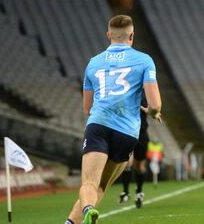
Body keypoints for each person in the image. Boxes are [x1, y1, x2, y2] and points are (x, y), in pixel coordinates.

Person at [65, 15, 162, 224]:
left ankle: (88, 208)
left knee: (89, 183)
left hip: (98, 126)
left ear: (108, 35)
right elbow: (155, 105)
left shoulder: (93, 63)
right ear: (132, 36)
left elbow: (87, 108)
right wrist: (154, 113)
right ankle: (78, 217)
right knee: (101, 186)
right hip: (126, 133)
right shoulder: (145, 60)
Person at [118, 103, 150, 208]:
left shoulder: (145, 91)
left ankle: (139, 192)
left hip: (141, 132)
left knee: (139, 166)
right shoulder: (124, 89)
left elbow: (151, 107)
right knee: (127, 162)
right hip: (127, 131)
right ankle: (126, 191)